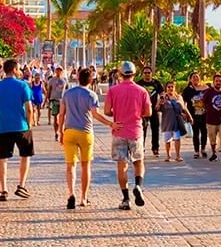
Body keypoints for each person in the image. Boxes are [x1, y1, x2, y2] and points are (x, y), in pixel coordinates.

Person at [59, 66, 112, 209]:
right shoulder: (91, 95)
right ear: (91, 80)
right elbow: (95, 114)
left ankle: (71, 194)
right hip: (86, 132)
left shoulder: (67, 94)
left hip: (69, 131)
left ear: (77, 78)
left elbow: (61, 114)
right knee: (85, 165)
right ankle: (83, 198)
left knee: (70, 165)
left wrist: (60, 131)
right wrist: (109, 123)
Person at [106, 61, 153, 210]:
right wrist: (137, 114)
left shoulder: (113, 90)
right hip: (136, 131)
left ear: (120, 74)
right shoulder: (142, 91)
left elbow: (107, 111)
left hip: (119, 131)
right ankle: (138, 185)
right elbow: (149, 113)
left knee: (122, 166)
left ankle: (126, 199)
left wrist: (118, 113)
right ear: (134, 74)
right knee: (138, 161)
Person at [0, 58, 35, 200]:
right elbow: (29, 108)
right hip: (21, 127)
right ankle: (21, 185)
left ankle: (3, 190)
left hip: (3, 128)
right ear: (14, 70)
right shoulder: (22, 86)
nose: (20, 71)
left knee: (3, 158)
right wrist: (29, 125)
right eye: (18, 68)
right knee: (25, 156)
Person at [202, 75, 221, 162]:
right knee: (212, 138)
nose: (218, 82)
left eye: (220, 81)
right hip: (211, 120)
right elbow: (203, 103)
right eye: (216, 81)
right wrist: (209, 110)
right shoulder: (208, 92)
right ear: (213, 82)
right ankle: (214, 154)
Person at [138, 71, 164, 157]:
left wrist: (159, 103)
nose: (147, 74)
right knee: (143, 129)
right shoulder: (139, 83)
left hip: (154, 109)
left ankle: (155, 148)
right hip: (143, 110)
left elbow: (162, 94)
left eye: (149, 72)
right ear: (143, 74)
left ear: (151, 73)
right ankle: (142, 148)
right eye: (145, 72)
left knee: (155, 129)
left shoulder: (156, 83)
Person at [182, 72, 207, 159]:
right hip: (193, 115)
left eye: (197, 77)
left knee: (204, 132)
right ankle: (196, 151)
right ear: (190, 79)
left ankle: (203, 149)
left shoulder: (205, 88)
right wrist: (185, 113)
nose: (195, 78)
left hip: (204, 115)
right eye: (193, 77)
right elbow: (183, 103)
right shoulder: (187, 90)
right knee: (195, 133)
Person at [161, 88, 188, 162]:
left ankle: (178, 155)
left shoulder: (178, 97)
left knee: (177, 138)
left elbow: (183, 108)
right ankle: (168, 155)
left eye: (172, 86)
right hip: (167, 121)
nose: (170, 88)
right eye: (168, 87)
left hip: (176, 120)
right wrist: (161, 100)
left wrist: (189, 116)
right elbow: (157, 108)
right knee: (167, 140)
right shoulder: (163, 97)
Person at [47, 65, 68, 140]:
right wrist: (46, 100)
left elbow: (67, 91)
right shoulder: (52, 80)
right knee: (56, 118)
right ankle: (56, 133)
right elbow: (49, 90)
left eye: (60, 70)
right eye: (57, 70)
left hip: (62, 101)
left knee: (63, 117)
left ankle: (62, 131)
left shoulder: (64, 80)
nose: (59, 71)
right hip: (54, 100)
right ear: (55, 71)